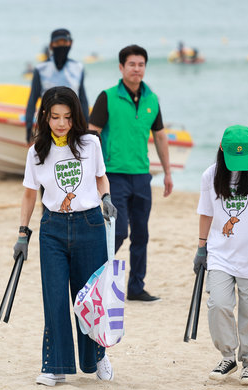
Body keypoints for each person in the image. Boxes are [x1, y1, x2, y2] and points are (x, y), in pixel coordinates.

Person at [13, 86, 117, 386]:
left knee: (89, 300)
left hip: (90, 224)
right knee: (55, 298)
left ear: (76, 117)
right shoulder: (36, 152)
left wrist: (106, 197)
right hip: (53, 229)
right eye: (55, 117)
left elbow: (100, 177)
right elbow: (29, 195)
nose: (61, 123)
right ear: (45, 116)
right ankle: (54, 365)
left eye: (68, 117)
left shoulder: (90, 143)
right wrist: (23, 234)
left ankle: (97, 356)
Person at [193, 125, 248, 385]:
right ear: (222, 148)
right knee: (218, 304)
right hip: (220, 253)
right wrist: (201, 248)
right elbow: (206, 213)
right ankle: (228, 356)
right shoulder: (210, 175)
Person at [88, 44, 172, 302]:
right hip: (114, 175)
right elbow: (92, 134)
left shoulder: (152, 99)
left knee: (141, 234)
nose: (137, 69)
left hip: (141, 175)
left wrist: (167, 172)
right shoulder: (107, 97)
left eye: (141, 64)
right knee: (119, 231)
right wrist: (93, 173)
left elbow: (159, 136)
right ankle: (96, 277)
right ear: (121, 67)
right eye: (132, 64)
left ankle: (136, 287)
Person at [25, 29, 89, 142]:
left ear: (71, 44)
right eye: (57, 43)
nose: (61, 46)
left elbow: (82, 100)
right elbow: (32, 99)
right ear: (51, 45)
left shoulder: (78, 68)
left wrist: (86, 127)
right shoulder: (41, 69)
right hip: (47, 124)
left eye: (64, 43)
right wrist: (29, 128)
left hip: (72, 123)